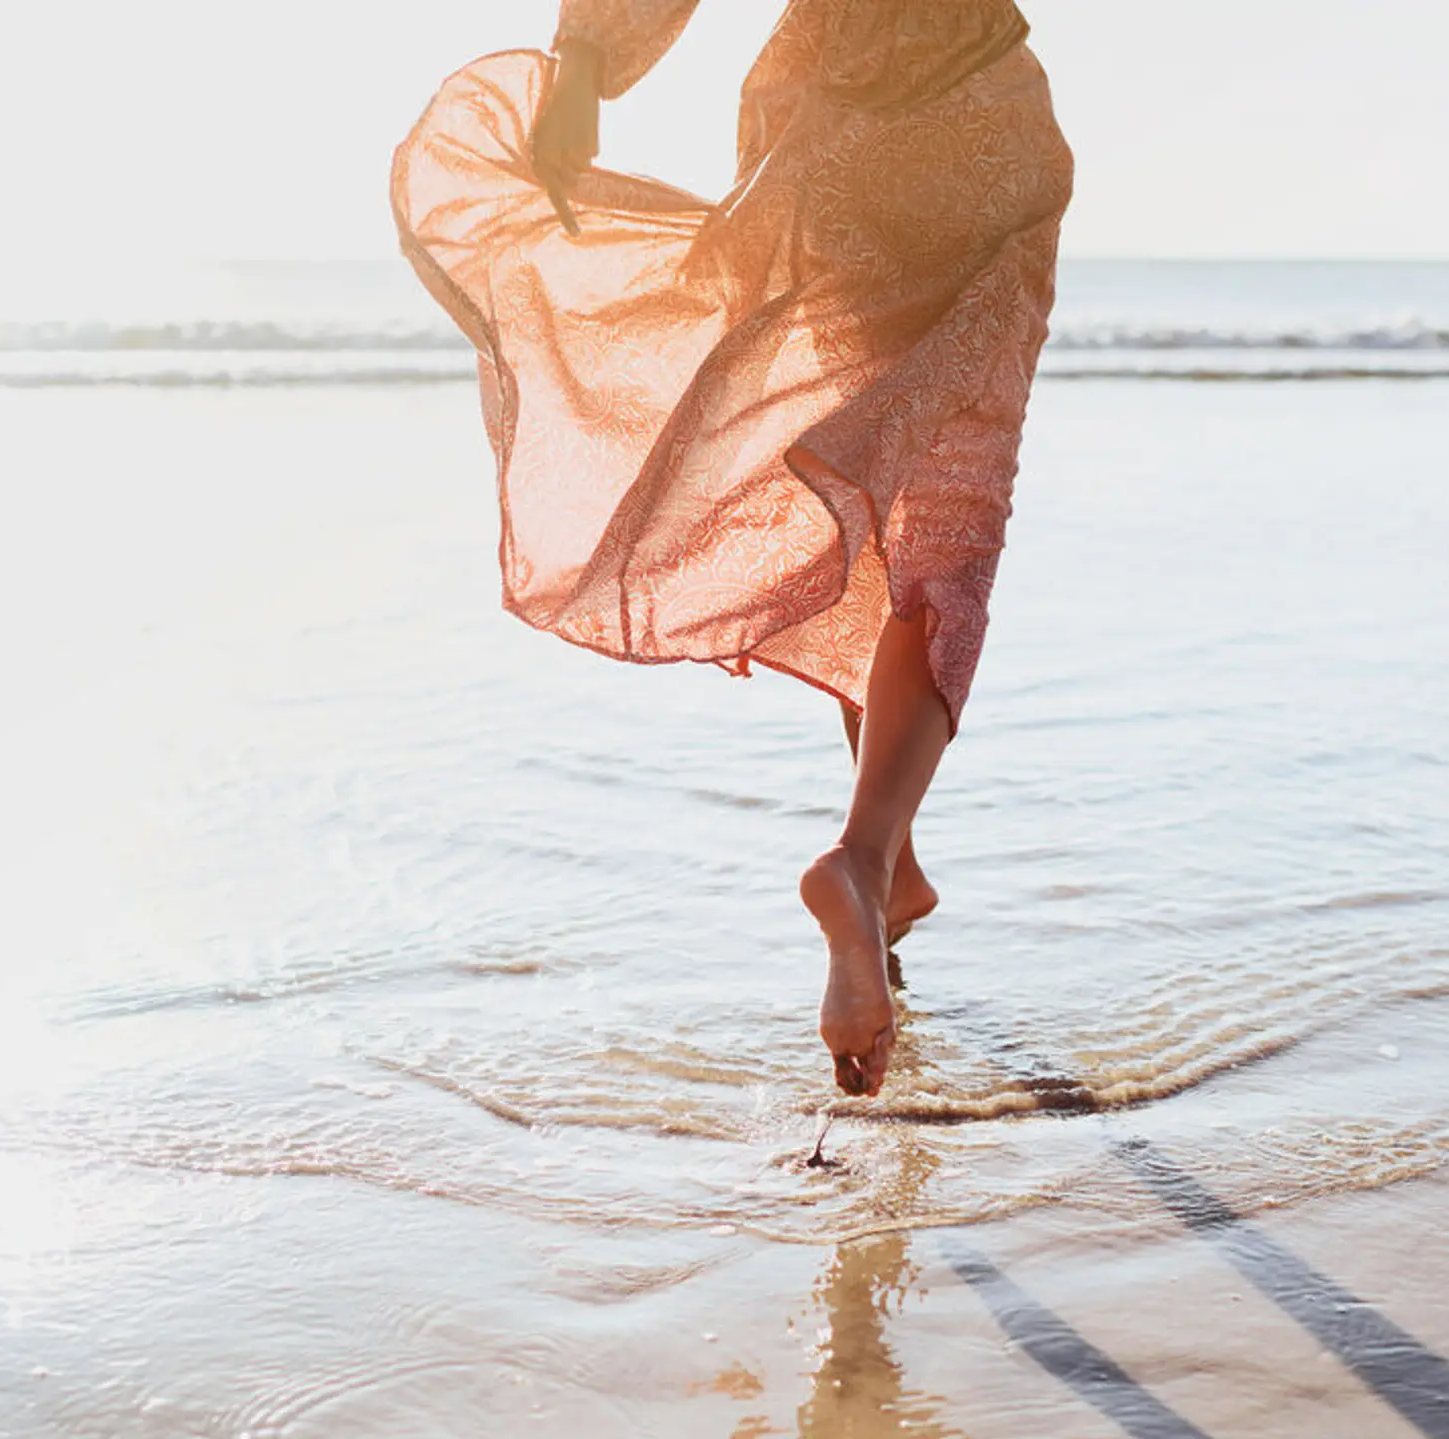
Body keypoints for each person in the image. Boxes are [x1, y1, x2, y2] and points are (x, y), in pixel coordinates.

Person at [392, 0, 1072, 1097]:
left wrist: (585, 65)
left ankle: (890, 873)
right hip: (978, 119)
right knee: (946, 526)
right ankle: (861, 856)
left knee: (868, 490)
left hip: (820, 136)